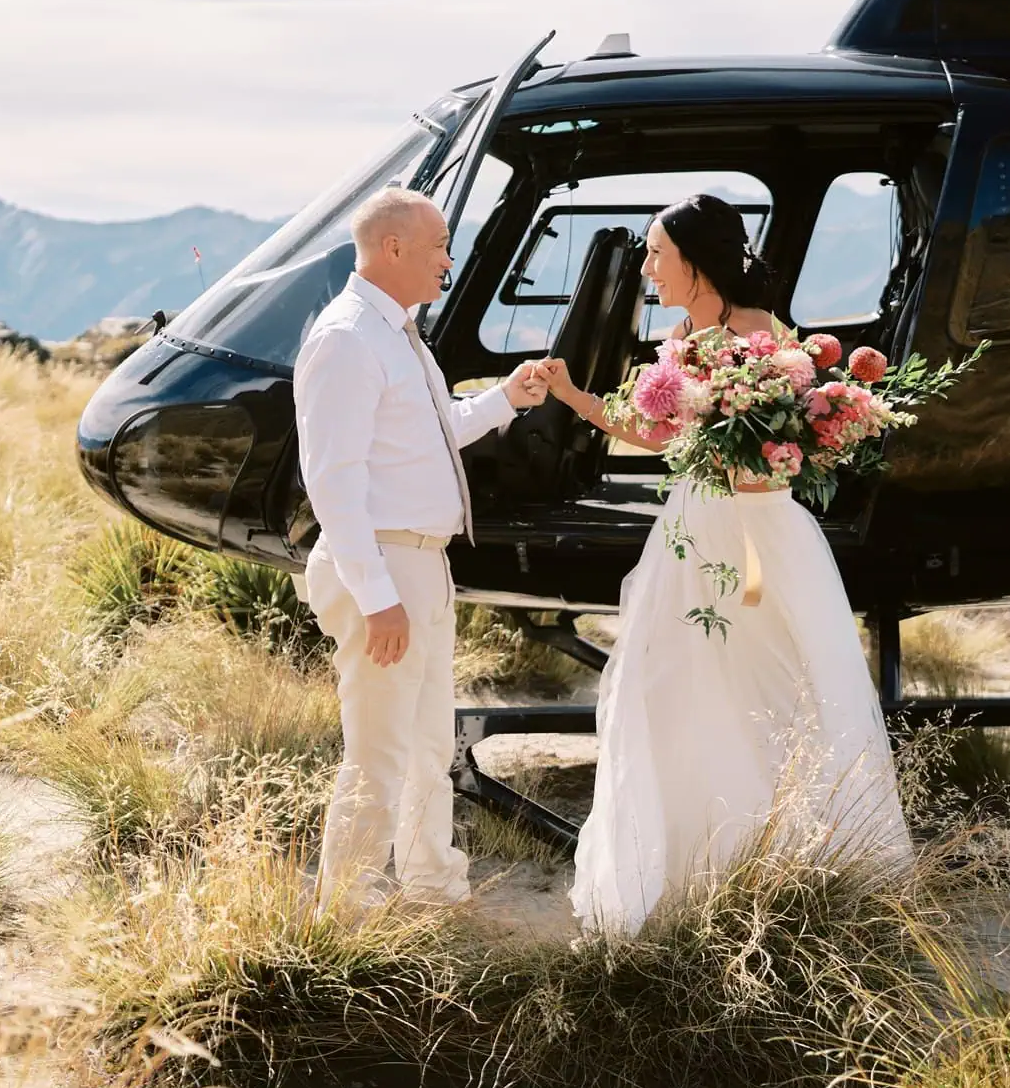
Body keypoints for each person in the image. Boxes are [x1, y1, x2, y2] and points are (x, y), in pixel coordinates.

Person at [534, 193, 914, 934]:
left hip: (763, 538)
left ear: (696, 261)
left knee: (774, 688)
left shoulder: (763, 333)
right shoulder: (679, 338)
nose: (648, 268)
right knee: (674, 688)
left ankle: (788, 867)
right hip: (693, 532)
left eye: (656, 254)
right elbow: (656, 432)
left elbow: (794, 437)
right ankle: (688, 871)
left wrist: (771, 453)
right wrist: (574, 396)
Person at [294, 186, 549, 912]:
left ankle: (432, 887)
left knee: (430, 746)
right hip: (384, 567)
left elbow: (436, 433)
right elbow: (333, 482)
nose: (448, 260)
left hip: (424, 565)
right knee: (378, 754)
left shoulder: (397, 334)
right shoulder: (347, 339)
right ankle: (346, 913)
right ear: (393, 247)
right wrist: (377, 597)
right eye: (440, 245)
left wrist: (506, 397)